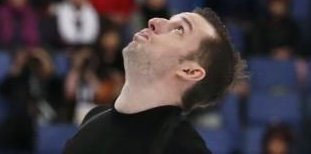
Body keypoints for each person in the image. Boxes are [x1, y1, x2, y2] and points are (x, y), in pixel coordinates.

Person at [63, 8, 244, 154]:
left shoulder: (184, 148)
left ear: (189, 71)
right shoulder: (94, 118)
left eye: (179, 29)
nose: (155, 21)